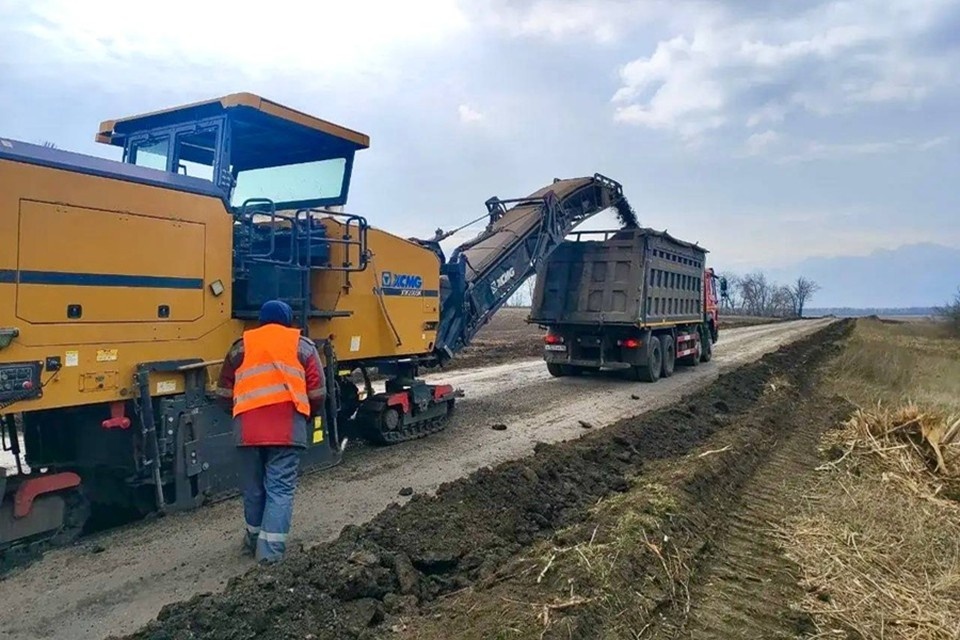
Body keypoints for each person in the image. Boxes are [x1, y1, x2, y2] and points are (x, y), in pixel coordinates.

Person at [216, 300, 325, 563]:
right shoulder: (302, 346)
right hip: (287, 429)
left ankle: (253, 541)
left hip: (247, 430)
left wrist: (239, 411)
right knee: (280, 489)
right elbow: (318, 391)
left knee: (253, 489)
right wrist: (307, 414)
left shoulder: (240, 347)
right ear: (288, 320)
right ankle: (269, 555)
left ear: (261, 320)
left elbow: (223, 392)